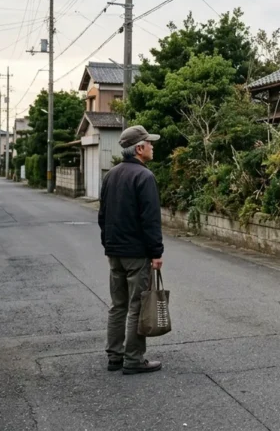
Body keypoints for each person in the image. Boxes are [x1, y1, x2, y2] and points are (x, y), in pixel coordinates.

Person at [98, 124, 164, 375]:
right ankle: (134, 359)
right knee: (137, 305)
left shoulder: (110, 175)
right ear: (139, 148)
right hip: (137, 253)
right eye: (149, 143)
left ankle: (114, 355)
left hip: (114, 252)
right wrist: (156, 252)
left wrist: (108, 244)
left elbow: (102, 215)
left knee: (118, 305)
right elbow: (150, 219)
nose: (152, 147)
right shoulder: (144, 177)